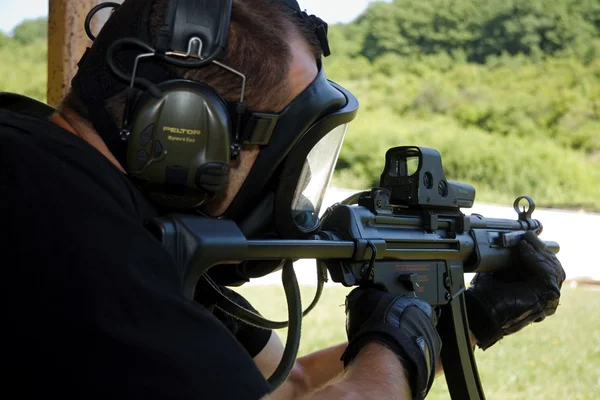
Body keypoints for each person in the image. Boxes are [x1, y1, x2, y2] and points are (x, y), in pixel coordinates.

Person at [0, 0, 565, 399]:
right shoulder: (62, 222)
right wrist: (400, 337)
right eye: (277, 148)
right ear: (190, 129)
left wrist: (467, 322)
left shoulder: (99, 205)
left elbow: (288, 386)